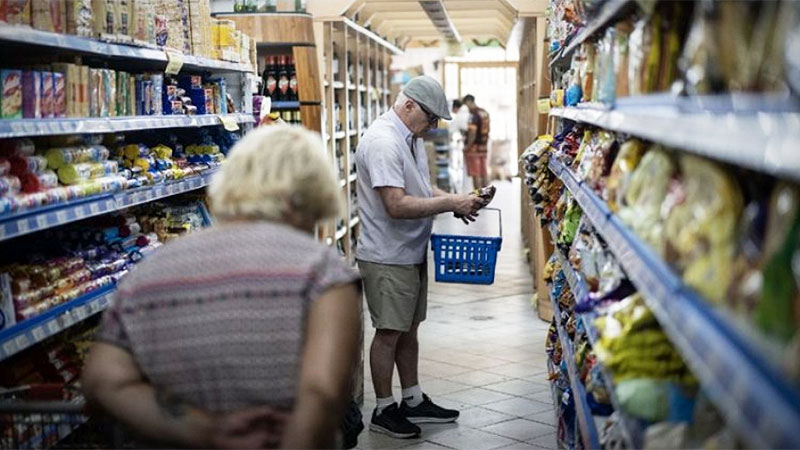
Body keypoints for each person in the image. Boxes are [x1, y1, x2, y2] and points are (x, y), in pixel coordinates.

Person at [81, 125, 362, 449]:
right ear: (312, 197)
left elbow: (102, 380)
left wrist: (203, 430)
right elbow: (323, 393)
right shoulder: (323, 273)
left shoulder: (148, 273)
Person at [355, 76, 489, 439]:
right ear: (409, 105)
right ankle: (384, 409)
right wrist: (449, 203)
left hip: (409, 251)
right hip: (387, 255)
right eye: (430, 119)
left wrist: (457, 199)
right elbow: (396, 205)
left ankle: (412, 399)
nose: (432, 127)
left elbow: (420, 188)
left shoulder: (410, 139)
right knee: (388, 332)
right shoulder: (383, 141)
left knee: (409, 329)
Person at [462, 94, 491, 189]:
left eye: (466, 105)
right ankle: (486, 195)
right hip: (484, 146)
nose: (467, 108)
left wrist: (467, 146)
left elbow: (472, 133)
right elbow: (488, 129)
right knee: (483, 173)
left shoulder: (473, 115)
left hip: (474, 148)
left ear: (469, 102)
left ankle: (478, 197)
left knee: (476, 174)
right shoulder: (484, 112)